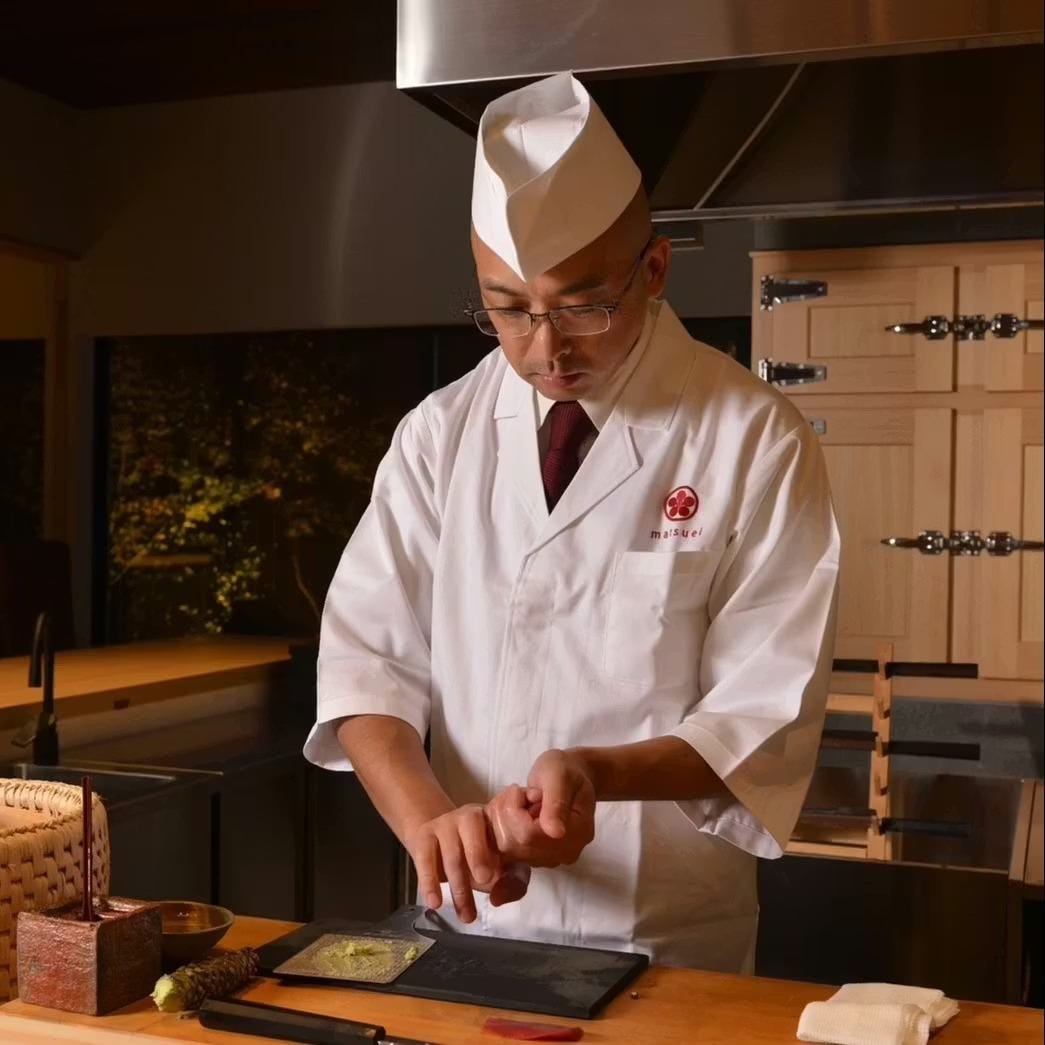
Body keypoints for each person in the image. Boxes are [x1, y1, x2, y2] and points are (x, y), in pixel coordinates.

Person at [304, 71, 839, 972]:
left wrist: (599, 771)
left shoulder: (754, 437)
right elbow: (365, 665)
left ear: (654, 269)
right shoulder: (439, 433)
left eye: (584, 305)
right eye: (509, 309)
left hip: (662, 937)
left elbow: (762, 711)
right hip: (466, 928)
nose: (544, 349)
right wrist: (431, 821)